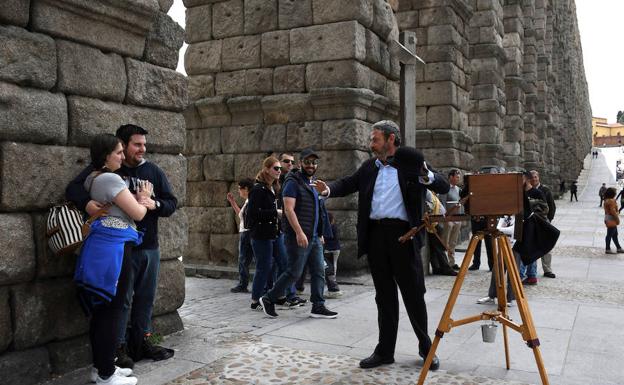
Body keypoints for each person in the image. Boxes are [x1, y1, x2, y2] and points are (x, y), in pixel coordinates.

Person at [315, 120, 449, 371]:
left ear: (390, 139)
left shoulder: (412, 164)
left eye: (374, 139)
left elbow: (443, 185)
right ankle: (385, 350)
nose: (370, 143)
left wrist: (426, 176)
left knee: (413, 295)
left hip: (404, 237)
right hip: (377, 236)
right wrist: (327, 190)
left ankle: (426, 347)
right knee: (384, 296)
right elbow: (347, 183)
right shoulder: (369, 167)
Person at [67, 124, 177, 368]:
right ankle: (117, 349)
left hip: (148, 245)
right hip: (120, 248)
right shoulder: (107, 170)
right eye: (137, 145)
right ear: (122, 146)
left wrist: (153, 204)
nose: (142, 149)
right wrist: (87, 204)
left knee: (145, 299)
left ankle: (142, 342)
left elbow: (171, 203)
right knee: (121, 301)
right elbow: (74, 188)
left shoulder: (153, 171)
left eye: (144, 144)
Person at [74, 134, 149, 385]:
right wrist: (144, 200)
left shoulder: (92, 178)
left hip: (106, 245)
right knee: (112, 309)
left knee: (104, 309)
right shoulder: (109, 178)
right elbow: (137, 214)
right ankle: (106, 375)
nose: (122, 156)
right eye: (118, 152)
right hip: (114, 248)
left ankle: (102, 367)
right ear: (106, 156)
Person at [260, 149, 338, 319]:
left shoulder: (312, 183)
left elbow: (317, 210)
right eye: (307, 162)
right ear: (300, 163)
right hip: (299, 236)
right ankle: (268, 298)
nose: (311, 165)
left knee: (319, 271)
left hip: (314, 236)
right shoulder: (292, 182)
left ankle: (318, 305)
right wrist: (299, 232)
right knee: (294, 272)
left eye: (314, 162)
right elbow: (288, 209)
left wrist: (320, 232)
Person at [246, 157, 287, 311]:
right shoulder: (258, 189)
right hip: (262, 235)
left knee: (284, 263)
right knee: (264, 267)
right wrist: (275, 213)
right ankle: (255, 299)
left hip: (275, 233)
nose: (279, 171)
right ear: (266, 169)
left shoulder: (273, 188)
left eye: (279, 169)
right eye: (276, 168)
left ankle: (279, 294)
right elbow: (253, 213)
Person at [476, 215, 521, 307]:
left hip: (515, 246)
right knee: (497, 269)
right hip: (503, 244)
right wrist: (498, 229)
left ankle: (510, 298)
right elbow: (497, 227)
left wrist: (499, 229)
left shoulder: (519, 217)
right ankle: (492, 295)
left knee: (512, 272)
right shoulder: (504, 217)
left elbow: (512, 230)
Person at [519, 171, 548, 285]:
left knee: (529, 250)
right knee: (523, 249)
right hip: (521, 225)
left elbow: (545, 209)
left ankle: (528, 275)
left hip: (533, 225)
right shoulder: (519, 192)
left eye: (520, 180)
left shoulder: (537, 192)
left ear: (526, 180)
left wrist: (530, 204)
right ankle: (528, 275)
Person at [227, 178, 255, 293]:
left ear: (246, 189)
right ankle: (243, 284)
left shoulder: (252, 200)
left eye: (240, 189)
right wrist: (233, 203)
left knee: (244, 260)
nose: (239, 191)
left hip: (248, 232)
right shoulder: (248, 201)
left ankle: (243, 284)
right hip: (246, 232)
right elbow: (241, 216)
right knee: (244, 260)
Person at [530, 170, 556, 278]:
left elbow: (552, 206)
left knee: (546, 246)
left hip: (543, 221)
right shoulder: (527, 190)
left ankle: (547, 269)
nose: (534, 179)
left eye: (535, 177)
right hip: (531, 222)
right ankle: (531, 272)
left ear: (538, 177)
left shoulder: (545, 190)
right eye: (532, 177)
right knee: (531, 245)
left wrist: (548, 219)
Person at [425, 190, 456, 276]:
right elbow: (428, 206)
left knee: (435, 248)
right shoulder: (427, 192)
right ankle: (446, 268)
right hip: (432, 223)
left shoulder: (432, 193)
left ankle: (437, 267)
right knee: (439, 247)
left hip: (437, 222)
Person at [439, 169, 463, 270]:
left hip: (457, 218)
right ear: (451, 177)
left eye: (459, 177)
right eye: (457, 177)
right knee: (445, 241)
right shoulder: (445, 188)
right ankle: (444, 263)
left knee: (453, 242)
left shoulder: (458, 189)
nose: (458, 179)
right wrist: (445, 218)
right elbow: (442, 203)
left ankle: (452, 262)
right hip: (448, 219)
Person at [323, 212, 342, 298]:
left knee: (328, 267)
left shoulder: (325, 227)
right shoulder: (334, 226)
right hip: (336, 249)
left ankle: (332, 285)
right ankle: (334, 281)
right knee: (334, 265)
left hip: (327, 249)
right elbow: (336, 238)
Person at [603, 187, 623, 254]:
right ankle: (607, 249)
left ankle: (618, 248)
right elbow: (613, 211)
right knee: (609, 234)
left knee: (614, 234)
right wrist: (617, 219)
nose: (616, 193)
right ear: (612, 193)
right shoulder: (611, 201)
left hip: (608, 218)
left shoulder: (606, 200)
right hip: (612, 219)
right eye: (615, 192)